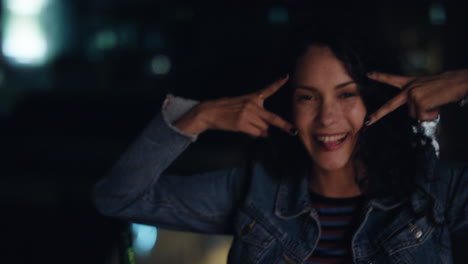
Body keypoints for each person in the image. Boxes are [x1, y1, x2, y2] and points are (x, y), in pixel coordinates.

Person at [94, 29, 468, 263]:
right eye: (308, 97)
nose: (327, 118)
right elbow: (117, 197)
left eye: (346, 95)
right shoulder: (254, 193)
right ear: (288, 105)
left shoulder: (436, 191)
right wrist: (196, 117)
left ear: (375, 99)